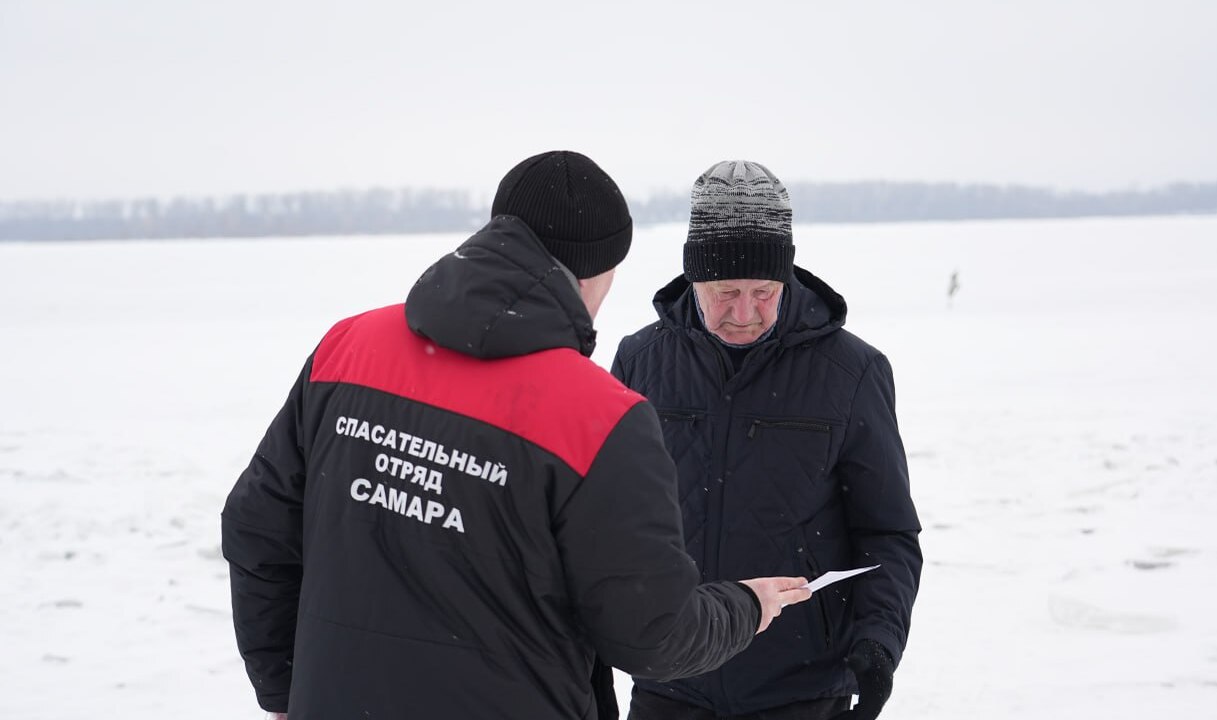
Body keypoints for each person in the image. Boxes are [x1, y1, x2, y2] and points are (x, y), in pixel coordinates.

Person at [221, 151, 812, 720]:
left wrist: (283, 684)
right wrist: (746, 605)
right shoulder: (598, 415)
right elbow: (653, 633)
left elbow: (257, 530)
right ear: (598, 271)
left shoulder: (347, 348)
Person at [611, 160, 923, 720]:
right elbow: (608, 517)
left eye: (764, 290)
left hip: (800, 688)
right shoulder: (641, 361)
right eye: (726, 292)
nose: (746, 313)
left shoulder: (852, 372)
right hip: (670, 681)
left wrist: (878, 643)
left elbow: (887, 532)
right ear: (693, 278)